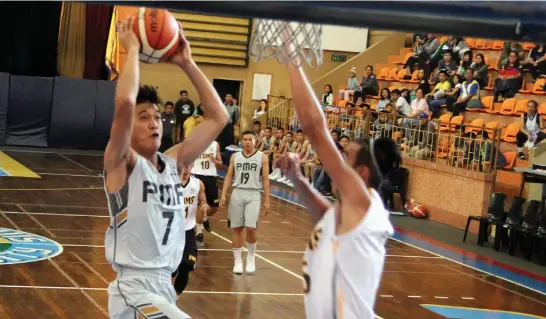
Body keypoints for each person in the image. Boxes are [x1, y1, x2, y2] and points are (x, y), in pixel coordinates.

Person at [103, 17, 229, 319]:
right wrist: (132, 48)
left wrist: (186, 62)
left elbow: (218, 118)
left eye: (157, 117)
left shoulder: (174, 163)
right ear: (129, 127)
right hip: (134, 289)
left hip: (163, 286)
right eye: (144, 117)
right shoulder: (122, 162)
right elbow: (124, 103)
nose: (154, 123)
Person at [279, 39, 397, 318]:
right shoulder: (350, 212)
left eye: (346, 157)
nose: (337, 162)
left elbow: (314, 128)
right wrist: (297, 179)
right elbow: (324, 218)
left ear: (361, 174)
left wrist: (291, 58)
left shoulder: (362, 201)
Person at [220, 130, 270, 274]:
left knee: (250, 228)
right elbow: (229, 175)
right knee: (236, 228)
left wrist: (267, 199)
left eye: (250, 139)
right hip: (238, 192)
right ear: (241, 141)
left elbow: (266, 180)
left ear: (255, 141)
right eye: (245, 139)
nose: (247, 142)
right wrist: (223, 193)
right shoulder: (235, 156)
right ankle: (237, 261)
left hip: (254, 193)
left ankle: (251, 256)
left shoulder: (262, 157)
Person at [172, 164, 207, 295]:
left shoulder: (198, 184)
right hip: (170, 232)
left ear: (192, 166)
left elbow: (202, 210)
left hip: (188, 231)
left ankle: (175, 296)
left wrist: (203, 209)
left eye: (189, 165)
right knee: (170, 270)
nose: (186, 168)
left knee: (186, 265)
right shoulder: (169, 183)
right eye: (183, 165)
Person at [191, 140, 222, 245]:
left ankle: (205, 219)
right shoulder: (193, 142)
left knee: (215, 207)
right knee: (201, 205)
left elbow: (220, 163)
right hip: (197, 176)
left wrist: (216, 162)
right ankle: (199, 234)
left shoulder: (215, 144)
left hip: (210, 177)